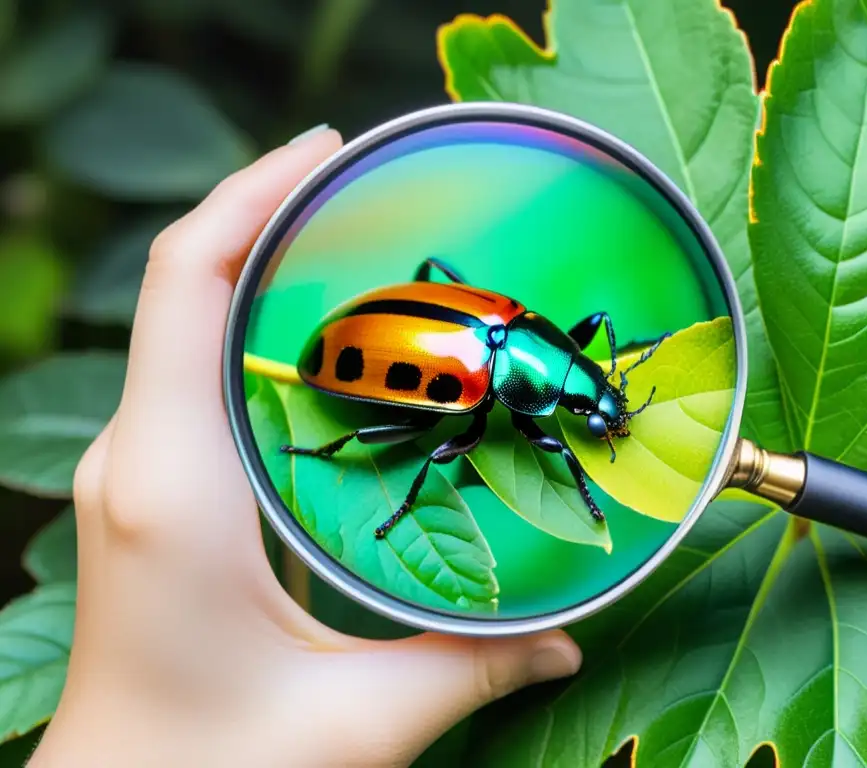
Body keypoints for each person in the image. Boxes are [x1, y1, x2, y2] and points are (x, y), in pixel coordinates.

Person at [27, 125, 583, 767]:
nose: (575, 407)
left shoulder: (517, 324)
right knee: (430, 447)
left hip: (401, 318)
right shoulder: (486, 385)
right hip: (349, 360)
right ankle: (338, 458)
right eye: (572, 396)